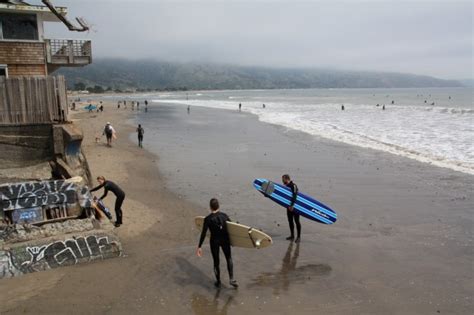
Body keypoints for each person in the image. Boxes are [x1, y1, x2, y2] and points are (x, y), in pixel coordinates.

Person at [197, 198, 238, 288]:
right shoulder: (224, 216)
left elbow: (203, 233)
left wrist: (199, 246)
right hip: (225, 240)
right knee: (229, 258)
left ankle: (218, 281)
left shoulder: (208, 219)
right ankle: (231, 279)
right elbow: (232, 229)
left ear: (210, 207)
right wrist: (234, 241)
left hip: (214, 241)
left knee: (216, 262)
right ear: (218, 206)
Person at [282, 174, 301, 243]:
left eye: (283, 179)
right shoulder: (286, 187)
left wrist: (292, 205)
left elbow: (295, 195)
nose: (282, 181)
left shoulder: (293, 185)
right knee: (290, 221)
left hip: (295, 207)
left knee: (297, 221)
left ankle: (298, 237)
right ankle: (292, 235)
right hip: (288, 207)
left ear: (286, 179)